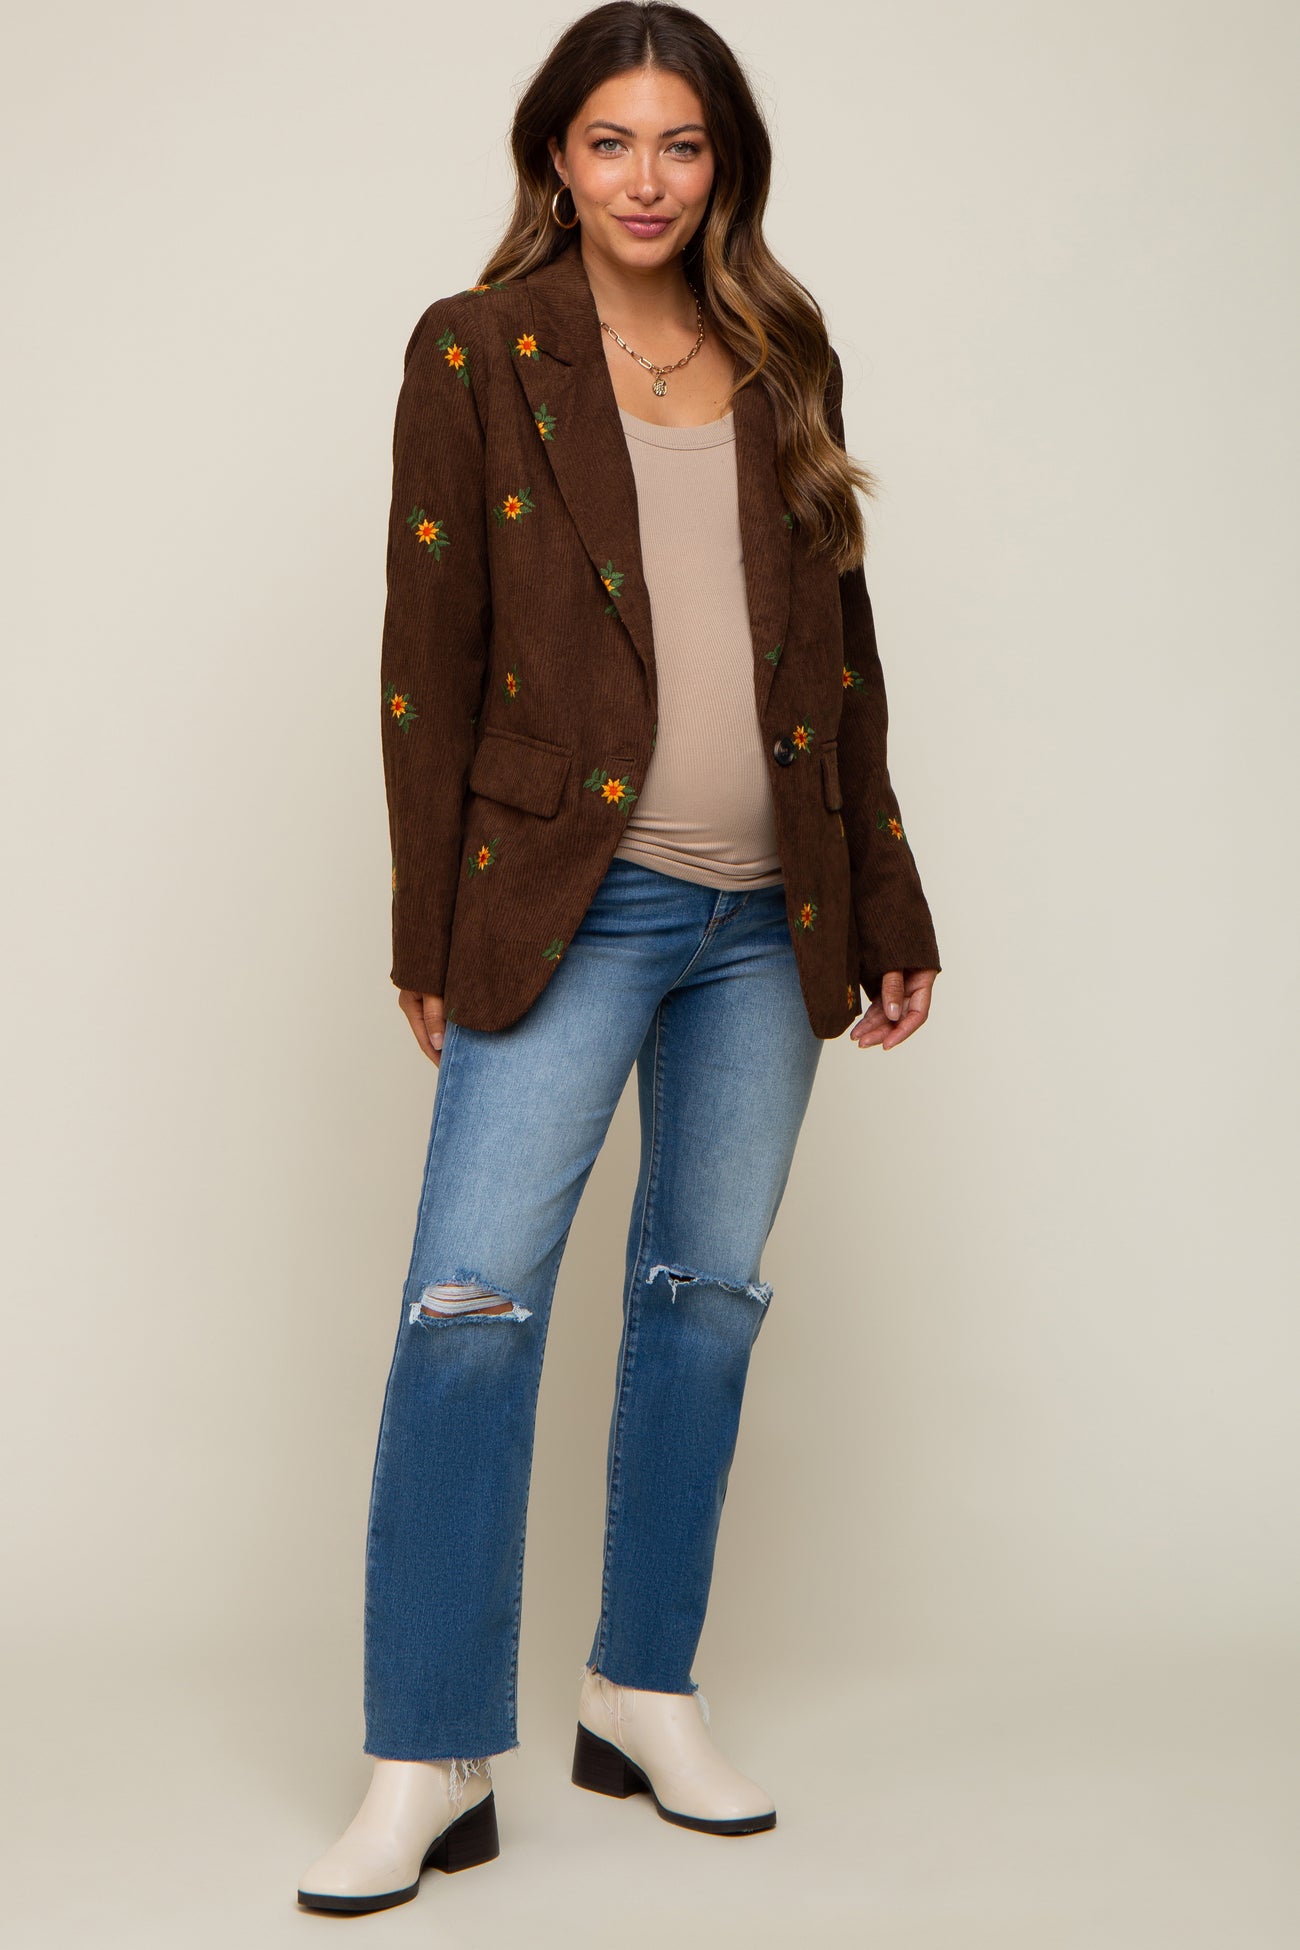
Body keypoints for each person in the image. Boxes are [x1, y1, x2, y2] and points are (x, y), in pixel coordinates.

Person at [297, 0, 940, 1915]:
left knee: (706, 1300)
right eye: (609, 141)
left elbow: (847, 651)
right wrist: (425, 924)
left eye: (680, 142)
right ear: (555, 159)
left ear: (722, 161)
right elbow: (424, 656)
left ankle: (641, 1687)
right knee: (470, 1306)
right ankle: (428, 1751)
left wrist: (887, 897)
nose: (645, 178)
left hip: (771, 914)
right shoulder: (478, 346)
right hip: (567, 896)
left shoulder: (785, 347)